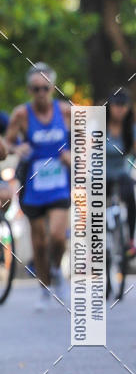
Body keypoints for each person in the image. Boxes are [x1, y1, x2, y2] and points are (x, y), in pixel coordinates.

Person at [4, 63, 71, 309]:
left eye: (45, 88)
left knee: (56, 235)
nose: (41, 93)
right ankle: (44, 286)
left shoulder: (64, 111)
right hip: (33, 186)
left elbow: (87, 137)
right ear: (29, 90)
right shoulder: (21, 114)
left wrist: (72, 155)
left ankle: (57, 271)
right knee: (40, 242)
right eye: (35, 89)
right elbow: (6, 144)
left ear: (52, 88)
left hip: (59, 184)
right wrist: (16, 148)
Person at [105, 88, 136, 258]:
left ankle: (131, 241)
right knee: (93, 206)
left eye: (123, 105)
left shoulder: (132, 128)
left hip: (121, 174)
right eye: (116, 105)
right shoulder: (99, 126)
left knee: (131, 197)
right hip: (99, 173)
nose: (120, 109)